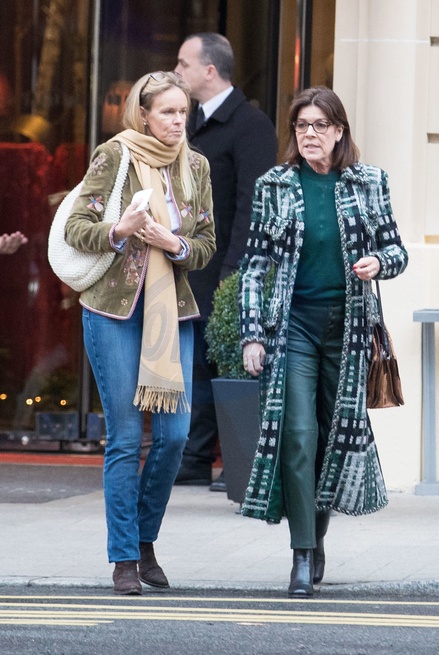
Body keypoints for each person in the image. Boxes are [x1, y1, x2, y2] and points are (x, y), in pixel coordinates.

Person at [239, 86, 408, 598]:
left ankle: (317, 536)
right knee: (298, 435)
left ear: (338, 131)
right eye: (301, 126)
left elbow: (397, 251)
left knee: (335, 438)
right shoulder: (275, 185)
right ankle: (301, 553)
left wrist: (379, 262)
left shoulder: (368, 182)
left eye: (319, 125)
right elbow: (255, 267)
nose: (308, 134)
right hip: (294, 327)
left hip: (350, 330)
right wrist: (252, 335)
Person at [65, 71, 216, 595]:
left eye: (183, 112)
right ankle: (125, 557)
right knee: (127, 438)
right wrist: (120, 230)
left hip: (171, 312)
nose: (177, 121)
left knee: (174, 437)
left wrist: (174, 245)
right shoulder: (115, 155)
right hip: (113, 311)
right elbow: (75, 228)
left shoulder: (196, 166)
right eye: (167, 112)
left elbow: (205, 243)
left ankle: (144, 538)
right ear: (144, 114)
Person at [174, 32, 277, 490]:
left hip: (227, 270)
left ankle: (234, 462)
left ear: (209, 70)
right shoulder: (190, 123)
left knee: (229, 366)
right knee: (195, 364)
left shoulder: (250, 125)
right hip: (190, 268)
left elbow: (253, 206)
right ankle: (194, 458)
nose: (177, 72)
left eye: (183, 64)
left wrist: (236, 272)